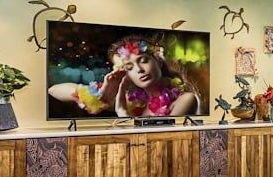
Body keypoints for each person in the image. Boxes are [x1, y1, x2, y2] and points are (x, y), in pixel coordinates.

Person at [49, 35, 199, 118]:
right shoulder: (134, 101)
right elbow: (54, 90)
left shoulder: (186, 99)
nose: (139, 70)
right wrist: (101, 96)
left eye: (143, 61)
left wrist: (123, 114)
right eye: (129, 67)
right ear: (125, 74)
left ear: (158, 61)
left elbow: (162, 140)